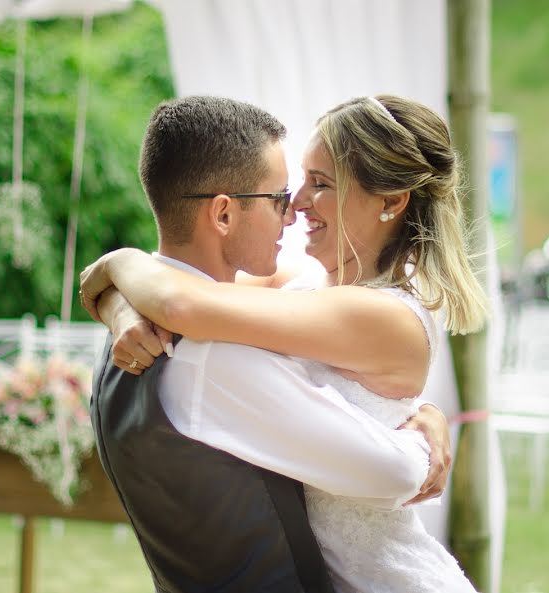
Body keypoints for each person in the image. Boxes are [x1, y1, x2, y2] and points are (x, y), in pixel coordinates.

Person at [83, 95, 458, 593]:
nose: (297, 205)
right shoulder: (298, 288)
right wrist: (117, 298)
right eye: (286, 192)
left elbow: (184, 303)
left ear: (391, 202)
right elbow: (188, 295)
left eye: (319, 184)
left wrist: (114, 265)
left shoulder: (379, 312)